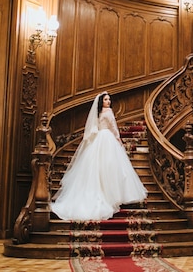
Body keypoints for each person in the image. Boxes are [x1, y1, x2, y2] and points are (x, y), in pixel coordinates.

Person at [51, 92, 148, 221]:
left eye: (109, 100)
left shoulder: (98, 113)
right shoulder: (108, 112)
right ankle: (111, 195)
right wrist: (118, 139)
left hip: (99, 139)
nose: (108, 102)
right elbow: (113, 127)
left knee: (100, 167)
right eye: (106, 100)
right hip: (107, 137)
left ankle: (105, 194)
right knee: (111, 167)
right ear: (102, 101)